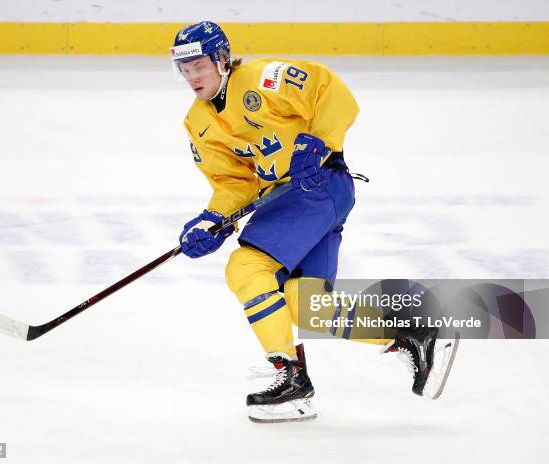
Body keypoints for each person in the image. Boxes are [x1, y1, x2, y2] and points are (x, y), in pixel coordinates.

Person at [170, 21, 457, 423]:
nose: (191, 77)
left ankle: (290, 376)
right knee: (308, 306)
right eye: (183, 70)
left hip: (317, 183)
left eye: (198, 66)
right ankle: (416, 335)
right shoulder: (197, 122)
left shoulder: (262, 78)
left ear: (221, 58)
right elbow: (234, 183)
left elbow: (331, 90)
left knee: (247, 266)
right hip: (301, 197)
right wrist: (213, 220)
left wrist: (318, 138)